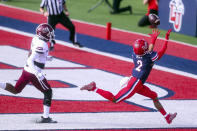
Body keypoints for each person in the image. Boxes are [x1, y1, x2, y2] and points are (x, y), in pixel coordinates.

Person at [80, 29, 177, 124]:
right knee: (115, 99)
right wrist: (166, 40)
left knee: (154, 96)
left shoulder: (135, 55)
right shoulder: (148, 58)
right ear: (144, 50)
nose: (147, 48)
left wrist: (153, 40)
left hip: (136, 81)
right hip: (135, 83)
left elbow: (149, 53)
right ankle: (94, 88)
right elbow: (161, 52)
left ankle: (167, 117)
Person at [0, 23, 57, 123]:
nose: (51, 36)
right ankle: (45, 117)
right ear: (43, 34)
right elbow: (31, 59)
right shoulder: (42, 44)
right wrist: (37, 73)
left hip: (26, 70)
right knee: (48, 92)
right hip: (33, 72)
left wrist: (46, 58)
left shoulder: (36, 39)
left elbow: (34, 55)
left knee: (16, 90)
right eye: (49, 34)